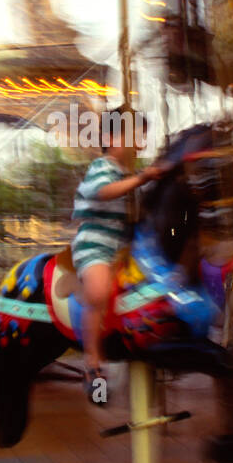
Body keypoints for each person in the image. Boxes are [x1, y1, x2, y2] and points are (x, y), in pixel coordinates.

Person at [71, 116, 164, 399]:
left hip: (122, 249)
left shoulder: (127, 173)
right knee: (99, 292)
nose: (139, 144)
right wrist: (141, 178)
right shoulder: (103, 167)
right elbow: (103, 192)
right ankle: (92, 362)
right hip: (95, 245)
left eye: (142, 139)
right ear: (111, 140)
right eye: (135, 137)